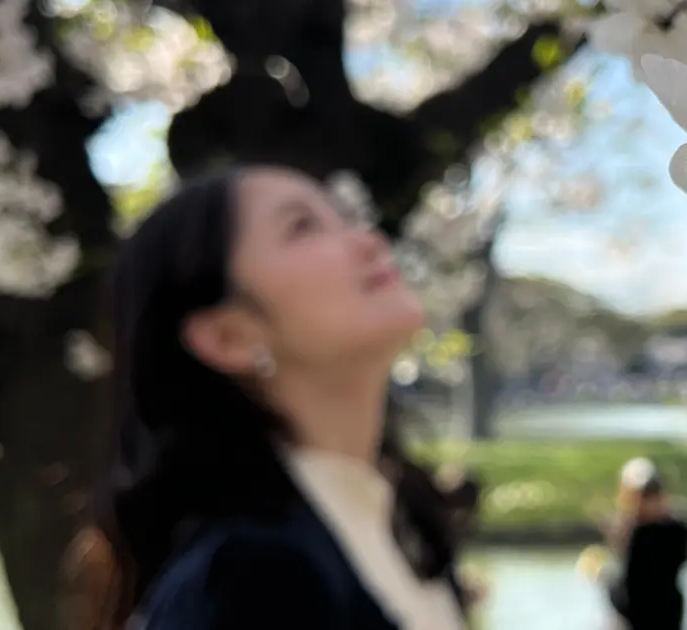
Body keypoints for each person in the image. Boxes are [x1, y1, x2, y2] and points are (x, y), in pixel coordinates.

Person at [70, 165, 471, 630]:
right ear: (228, 337)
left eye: (345, 218)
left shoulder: (403, 523)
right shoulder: (242, 578)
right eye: (303, 227)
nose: (369, 241)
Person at [605, 458, 687, 630]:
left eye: (652, 493)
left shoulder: (647, 534)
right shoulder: (674, 529)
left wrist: (603, 578)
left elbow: (629, 599)